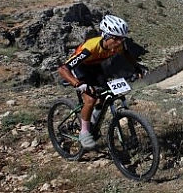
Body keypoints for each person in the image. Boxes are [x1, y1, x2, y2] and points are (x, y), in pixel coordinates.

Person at [57, 14, 144, 149]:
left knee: (104, 96)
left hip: (95, 67)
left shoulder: (118, 44)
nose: (119, 43)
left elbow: (126, 54)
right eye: (116, 39)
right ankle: (84, 132)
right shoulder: (90, 48)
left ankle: (92, 125)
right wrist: (78, 83)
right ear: (106, 36)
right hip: (80, 68)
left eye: (122, 39)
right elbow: (63, 69)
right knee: (90, 100)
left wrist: (137, 67)